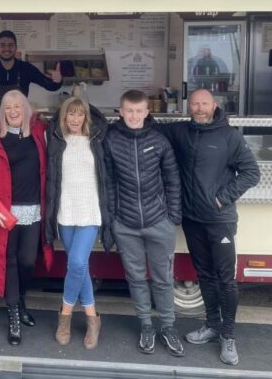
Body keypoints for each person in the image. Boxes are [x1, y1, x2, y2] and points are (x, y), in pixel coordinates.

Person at [156, 89, 260, 366]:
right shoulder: (180, 131)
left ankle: (228, 335)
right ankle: (212, 325)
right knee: (205, 275)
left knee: (226, 279)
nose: (199, 108)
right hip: (192, 219)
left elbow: (252, 172)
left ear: (214, 105)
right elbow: (148, 125)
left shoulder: (230, 137)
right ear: (188, 107)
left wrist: (222, 198)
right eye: (194, 104)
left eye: (204, 103)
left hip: (219, 220)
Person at [103, 90, 184, 357]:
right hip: (126, 224)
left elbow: (173, 180)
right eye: (129, 111)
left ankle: (168, 327)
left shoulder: (160, 140)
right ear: (120, 111)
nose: (134, 116)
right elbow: (109, 183)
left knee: (163, 279)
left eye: (139, 111)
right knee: (136, 278)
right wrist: (114, 219)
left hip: (158, 222)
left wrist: (172, 217)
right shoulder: (111, 140)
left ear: (147, 112)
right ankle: (146, 326)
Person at [0, 90, 54, 346]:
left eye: (18, 106)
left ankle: (20, 300)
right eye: (8, 107)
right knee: (8, 262)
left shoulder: (39, 133)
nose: (14, 111)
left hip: (32, 210)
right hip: (4, 213)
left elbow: (76, 118)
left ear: (26, 109)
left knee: (27, 260)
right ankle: (14, 313)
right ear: (2, 112)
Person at [45, 96, 109, 349]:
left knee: (78, 262)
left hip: (90, 210)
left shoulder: (97, 139)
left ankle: (66, 316)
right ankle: (93, 318)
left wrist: (81, 98)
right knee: (76, 267)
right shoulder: (56, 141)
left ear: (86, 117)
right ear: (63, 117)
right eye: (69, 114)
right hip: (66, 211)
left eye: (79, 114)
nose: (74, 119)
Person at [0, 30, 63, 113]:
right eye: (2, 45)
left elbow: (50, 86)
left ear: (16, 48)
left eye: (10, 45)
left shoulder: (26, 69)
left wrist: (58, 81)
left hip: (20, 122)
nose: (6, 49)